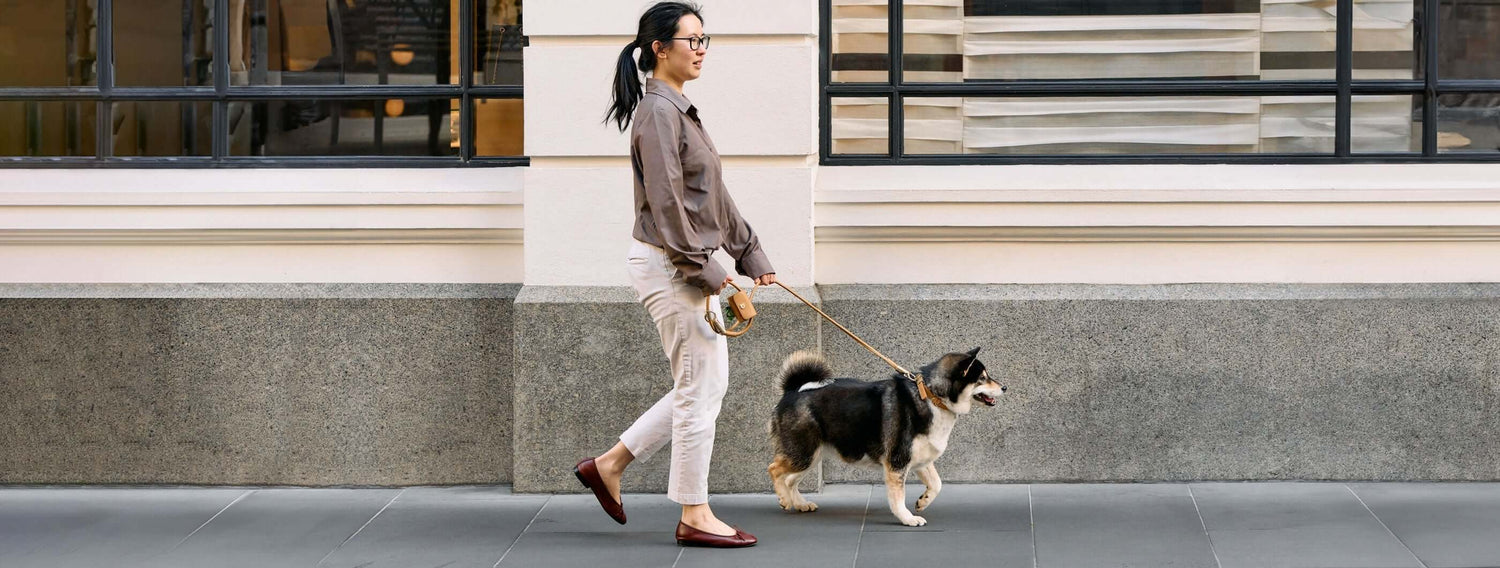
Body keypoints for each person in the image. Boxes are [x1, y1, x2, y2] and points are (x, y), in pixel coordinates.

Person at [574, 0, 776, 549]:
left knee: (701, 385)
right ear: (659, 48)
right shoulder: (658, 114)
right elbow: (668, 207)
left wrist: (751, 257)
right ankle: (694, 513)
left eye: (705, 40)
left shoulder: (679, 109)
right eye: (692, 40)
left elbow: (714, 198)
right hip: (671, 266)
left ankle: (609, 465)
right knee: (700, 392)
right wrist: (711, 273)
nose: (701, 50)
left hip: (682, 263)